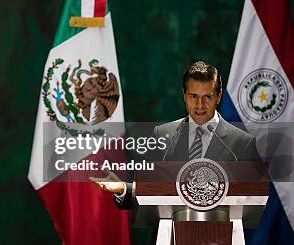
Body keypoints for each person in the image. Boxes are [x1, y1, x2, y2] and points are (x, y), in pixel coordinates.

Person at [94, 60, 259, 209]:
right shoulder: (162, 135)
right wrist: (124, 189)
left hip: (219, 237)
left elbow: (253, 200)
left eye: (207, 97)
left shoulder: (242, 143)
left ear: (219, 96)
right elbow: (152, 192)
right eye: (193, 96)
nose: (200, 105)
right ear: (184, 96)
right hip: (170, 237)